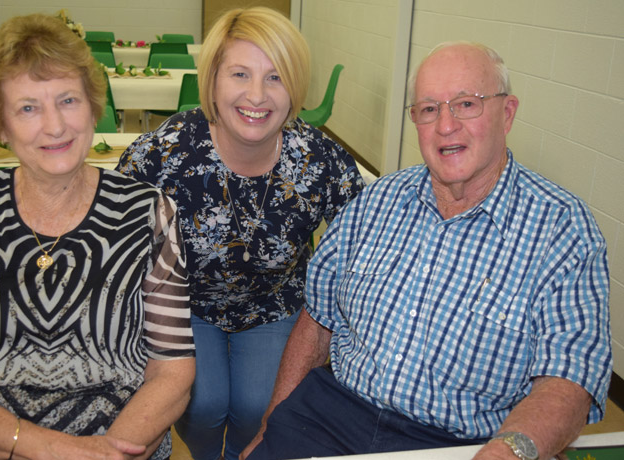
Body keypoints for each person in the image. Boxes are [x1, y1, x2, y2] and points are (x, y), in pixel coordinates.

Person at [242, 41, 612, 460]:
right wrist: (272, 425)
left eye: (467, 104)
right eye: (429, 109)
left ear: (507, 113)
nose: (446, 126)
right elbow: (317, 321)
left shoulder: (562, 229)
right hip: (333, 414)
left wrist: (508, 451)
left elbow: (569, 379)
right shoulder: (376, 201)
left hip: (460, 443)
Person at [0, 13, 195, 460]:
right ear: (1, 125)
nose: (55, 126)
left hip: (115, 443)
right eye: (28, 108)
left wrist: (108, 453)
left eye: (68, 100)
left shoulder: (149, 215)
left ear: (93, 108)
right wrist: (47, 448)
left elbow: (172, 374)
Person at [116, 6, 364, 459]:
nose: (257, 96)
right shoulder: (166, 151)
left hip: (274, 303)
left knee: (258, 406)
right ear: (212, 80)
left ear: (295, 86)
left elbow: (362, 243)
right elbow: (116, 234)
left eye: (275, 77)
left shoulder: (319, 159)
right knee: (202, 404)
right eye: (239, 74)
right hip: (186, 303)